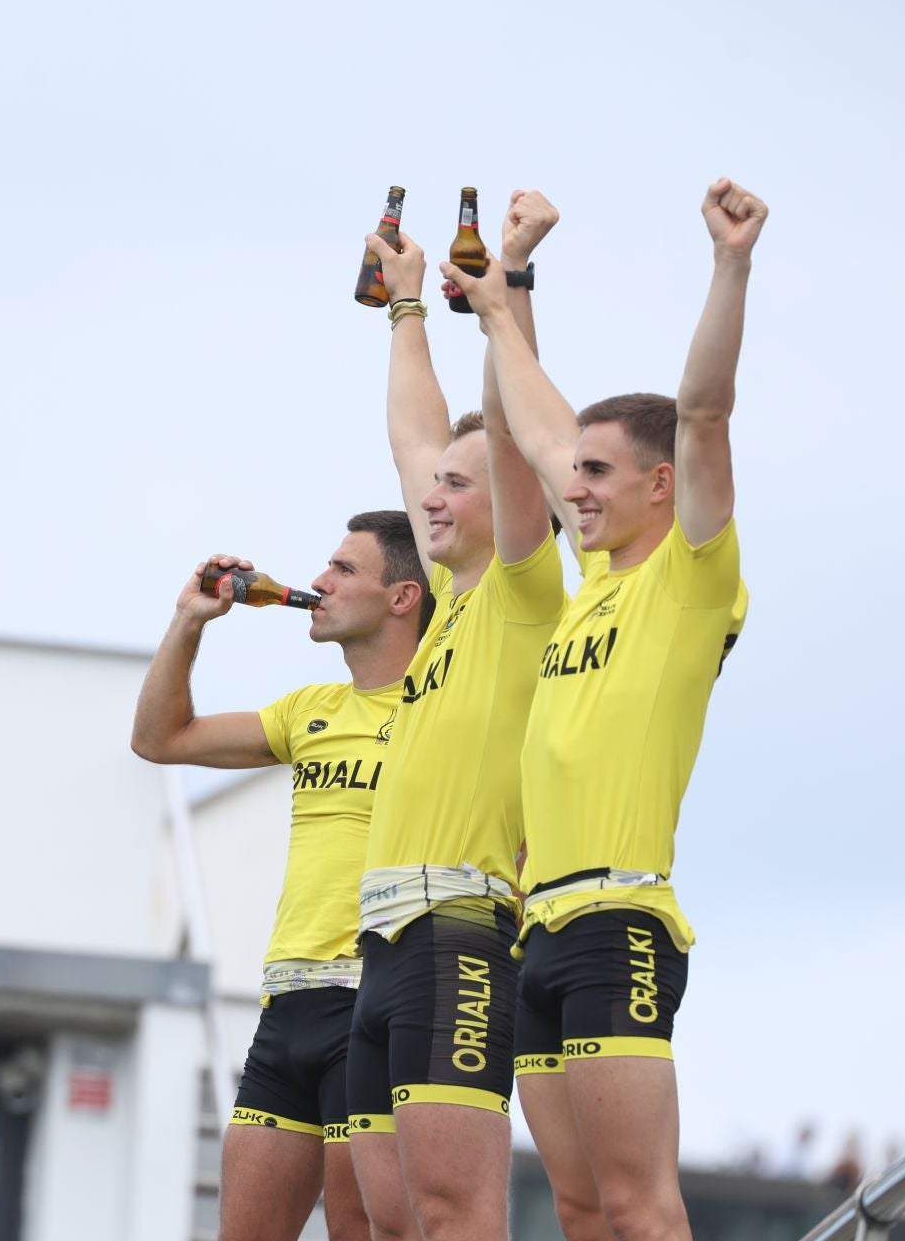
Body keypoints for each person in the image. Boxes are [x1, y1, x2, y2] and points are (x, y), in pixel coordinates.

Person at [459, 178, 767, 1241]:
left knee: (638, 1207)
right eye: (573, 472)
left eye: (598, 473)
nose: (573, 488)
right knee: (583, 1208)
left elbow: (706, 411)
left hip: (618, 921)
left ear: (663, 486)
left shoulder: (685, 579)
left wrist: (729, 265)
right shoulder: (592, 584)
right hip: (539, 929)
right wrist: (505, 297)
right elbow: (535, 427)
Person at [347, 196, 564, 1241]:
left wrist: (503, 301)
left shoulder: (523, 591)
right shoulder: (445, 610)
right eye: (429, 487)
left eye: (455, 487)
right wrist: (404, 310)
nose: (427, 498)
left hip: (462, 926)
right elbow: (413, 431)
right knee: (394, 1224)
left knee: (454, 1215)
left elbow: (517, 440)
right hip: (382, 932)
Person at [131, 513, 432, 1241]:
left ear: (402, 597)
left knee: (361, 1231)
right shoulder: (311, 710)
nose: (319, 583)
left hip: (375, 998)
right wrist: (190, 621)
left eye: (343, 570)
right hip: (287, 1002)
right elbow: (158, 739)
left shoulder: (442, 708)